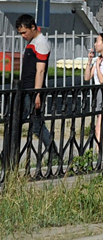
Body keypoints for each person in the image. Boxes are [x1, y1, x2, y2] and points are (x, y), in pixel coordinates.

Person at [15, 13, 56, 159]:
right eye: (20, 33)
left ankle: (53, 154)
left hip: (32, 90)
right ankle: (7, 154)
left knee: (33, 125)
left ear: (33, 27)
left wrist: (37, 93)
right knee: (27, 124)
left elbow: (40, 70)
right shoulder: (34, 41)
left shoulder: (41, 43)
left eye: (24, 32)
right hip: (26, 88)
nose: (23, 36)